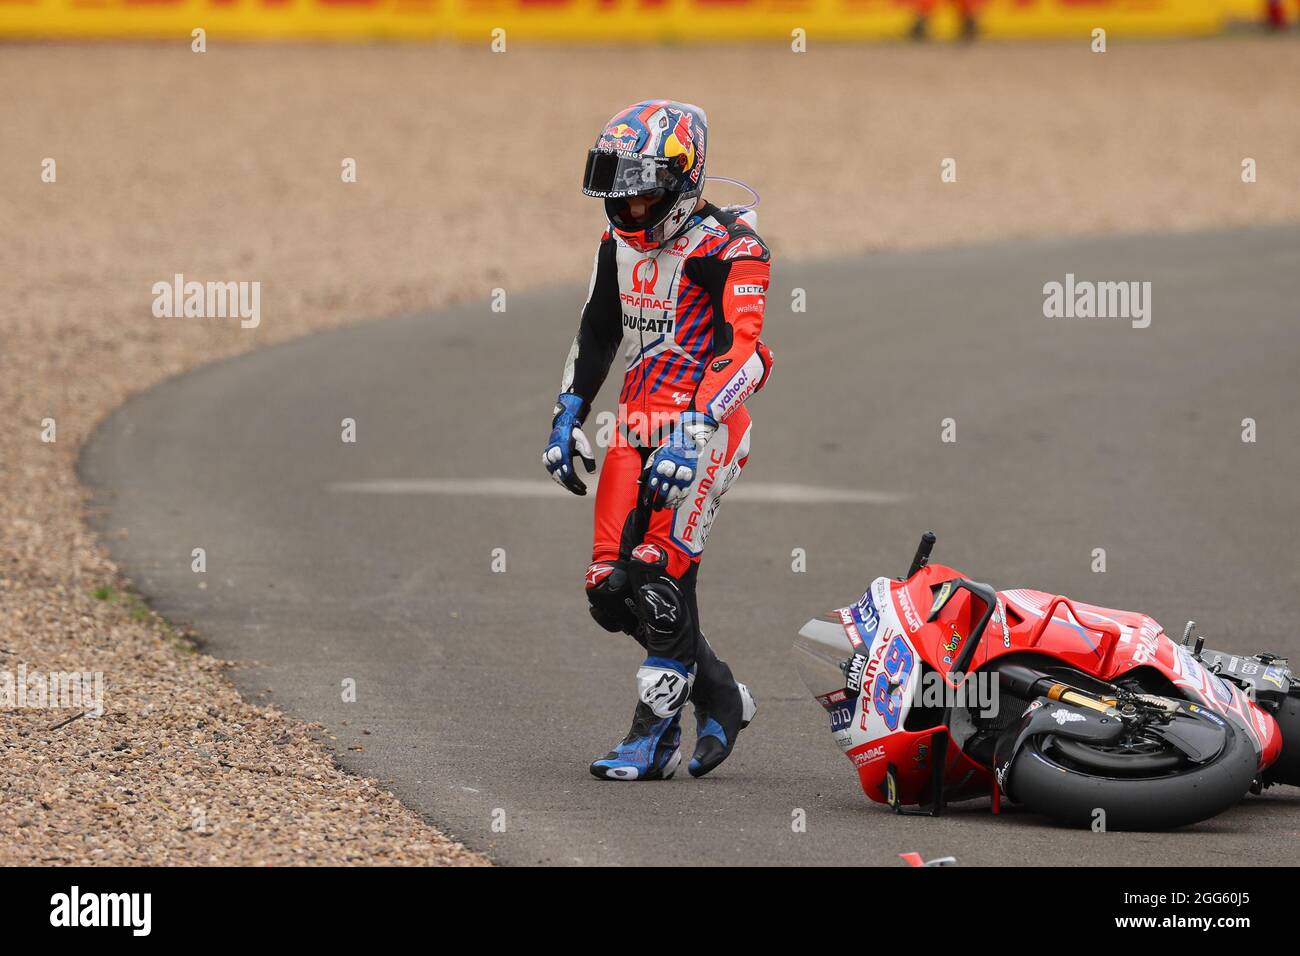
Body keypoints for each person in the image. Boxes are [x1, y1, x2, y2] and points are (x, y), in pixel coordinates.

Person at [542, 100, 773, 780]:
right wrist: (566, 415)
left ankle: (651, 739)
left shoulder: (733, 247)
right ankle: (723, 696)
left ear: (680, 180)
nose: (627, 205)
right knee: (609, 590)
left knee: (659, 572)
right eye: (618, 186)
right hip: (633, 425)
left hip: (705, 429)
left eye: (641, 188)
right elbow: (596, 332)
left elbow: (749, 353)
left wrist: (695, 429)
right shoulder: (615, 244)